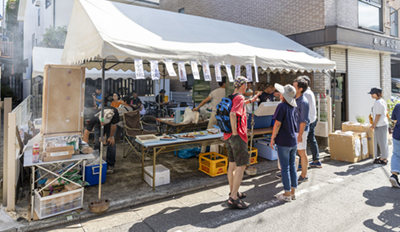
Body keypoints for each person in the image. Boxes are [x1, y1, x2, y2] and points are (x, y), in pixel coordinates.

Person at [225, 76, 261, 209]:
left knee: (232, 165)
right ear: (243, 86)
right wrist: (235, 133)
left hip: (227, 135)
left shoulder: (232, 96)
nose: (247, 86)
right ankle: (233, 198)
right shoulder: (239, 97)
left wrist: (251, 100)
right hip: (237, 136)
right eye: (246, 84)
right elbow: (233, 114)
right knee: (241, 167)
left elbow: (237, 107)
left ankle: (233, 191)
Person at [271, 83, 298, 201]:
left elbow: (277, 124)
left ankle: (287, 193)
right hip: (293, 140)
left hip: (283, 140)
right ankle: (293, 192)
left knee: (285, 167)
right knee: (292, 166)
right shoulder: (292, 107)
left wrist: (272, 138)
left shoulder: (281, 107)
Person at [193, 76, 227, 153]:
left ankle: (202, 152)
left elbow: (205, 101)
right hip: (224, 116)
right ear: (224, 83)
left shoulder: (214, 92)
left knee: (208, 133)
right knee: (221, 135)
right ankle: (219, 154)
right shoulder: (228, 92)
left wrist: (197, 107)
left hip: (215, 114)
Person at [83, 107, 119, 174]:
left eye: (105, 123)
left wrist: (111, 137)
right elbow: (87, 131)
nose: (103, 124)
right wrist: (85, 145)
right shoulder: (94, 117)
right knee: (97, 143)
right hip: (98, 127)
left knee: (111, 144)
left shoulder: (114, 113)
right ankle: (96, 161)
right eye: (102, 123)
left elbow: (114, 126)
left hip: (110, 127)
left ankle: (110, 164)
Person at [301, 76, 321, 168]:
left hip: (307, 120)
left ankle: (301, 163)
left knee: (302, 141)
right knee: (311, 139)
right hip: (313, 118)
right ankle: (316, 160)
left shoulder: (305, 93)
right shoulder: (310, 92)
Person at [293, 77, 310, 182]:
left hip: (301, 130)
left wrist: (300, 134)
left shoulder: (303, 101)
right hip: (295, 129)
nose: (293, 87)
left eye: (294, 86)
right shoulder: (294, 98)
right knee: (297, 151)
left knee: (302, 152)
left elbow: (303, 120)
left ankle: (304, 175)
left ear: (300, 89)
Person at [369, 87, 389, 165]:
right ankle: (382, 157)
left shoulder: (378, 102)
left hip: (380, 124)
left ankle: (384, 158)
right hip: (382, 123)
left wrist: (374, 125)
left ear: (377, 94)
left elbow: (378, 114)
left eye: (372, 93)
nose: (371, 95)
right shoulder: (381, 101)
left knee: (382, 141)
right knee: (381, 141)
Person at [390, 103, 400, 188]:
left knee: (396, 154)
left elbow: (395, 121)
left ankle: (394, 175)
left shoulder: (398, 106)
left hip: (397, 134)